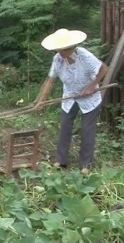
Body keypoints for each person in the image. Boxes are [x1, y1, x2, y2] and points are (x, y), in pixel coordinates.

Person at [34, 28, 108, 175]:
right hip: (69, 96)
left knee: (88, 130)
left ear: (71, 48)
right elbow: (50, 80)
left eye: (62, 50)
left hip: (89, 98)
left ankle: (85, 165)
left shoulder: (84, 56)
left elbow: (104, 69)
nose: (60, 53)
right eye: (58, 50)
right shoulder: (58, 59)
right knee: (65, 127)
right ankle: (61, 161)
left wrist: (91, 86)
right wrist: (41, 101)